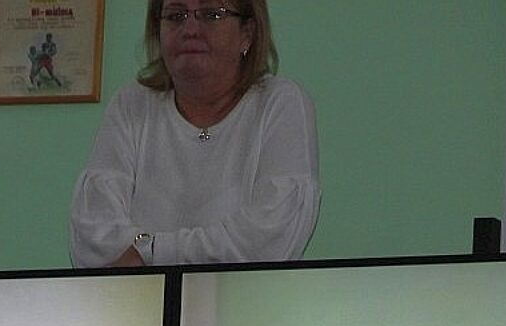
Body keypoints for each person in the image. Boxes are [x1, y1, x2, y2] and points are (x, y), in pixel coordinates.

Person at [69, 0, 319, 267]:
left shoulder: (279, 103)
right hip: (136, 294)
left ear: (247, 33)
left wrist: (149, 251)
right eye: (176, 15)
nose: (190, 29)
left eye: (211, 14)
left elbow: (270, 239)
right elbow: (93, 235)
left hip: (242, 294)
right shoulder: (131, 105)